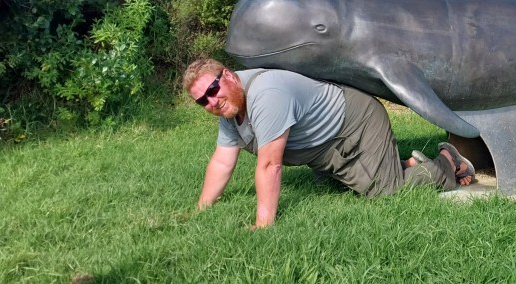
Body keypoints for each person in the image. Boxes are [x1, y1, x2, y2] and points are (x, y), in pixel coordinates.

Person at [183, 58, 475, 229]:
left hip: (353, 123)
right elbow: (222, 161)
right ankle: (404, 164)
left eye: (212, 89)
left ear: (228, 76)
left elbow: (270, 165)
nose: (211, 101)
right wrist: (202, 208)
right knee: (336, 185)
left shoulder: (265, 95)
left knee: (383, 191)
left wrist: (263, 224)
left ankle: (446, 162)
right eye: (202, 101)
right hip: (325, 147)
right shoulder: (230, 108)